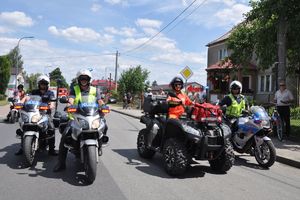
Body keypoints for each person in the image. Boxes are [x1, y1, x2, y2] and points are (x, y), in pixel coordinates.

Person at [54, 69, 105, 172]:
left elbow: (99, 100)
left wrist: (103, 106)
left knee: (104, 125)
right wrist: (69, 104)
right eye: (82, 79)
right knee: (65, 135)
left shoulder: (95, 90)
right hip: (76, 117)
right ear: (79, 80)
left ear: (89, 80)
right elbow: (71, 98)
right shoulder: (74, 89)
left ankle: (99, 146)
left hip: (92, 116)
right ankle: (61, 163)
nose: (84, 81)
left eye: (85, 79)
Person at [15, 75, 58, 156]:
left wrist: (51, 105)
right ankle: (22, 147)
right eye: (42, 83)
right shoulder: (34, 92)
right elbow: (27, 98)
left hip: (44, 113)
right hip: (33, 112)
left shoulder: (50, 93)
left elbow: (52, 102)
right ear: (39, 84)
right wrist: (21, 102)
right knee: (24, 126)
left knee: (51, 128)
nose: (43, 85)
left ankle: (51, 149)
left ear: (47, 84)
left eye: (45, 83)